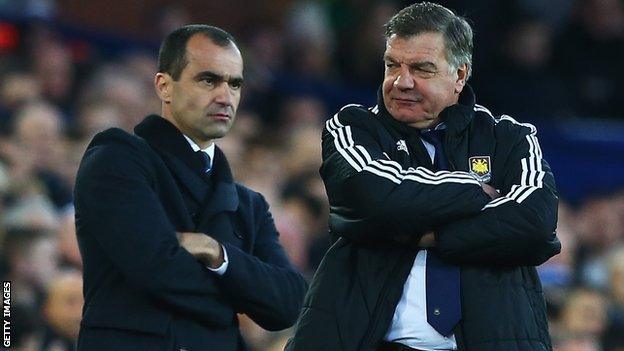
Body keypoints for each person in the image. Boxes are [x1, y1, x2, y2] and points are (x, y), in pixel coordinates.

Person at [286, 3, 560, 351]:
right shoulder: (353, 127)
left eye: (421, 69)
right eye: (392, 65)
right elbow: (374, 195)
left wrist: (434, 235)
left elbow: (535, 222)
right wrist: (473, 188)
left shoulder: (511, 138)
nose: (401, 81)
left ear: (460, 76)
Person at [74, 25, 307, 351]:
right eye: (208, 80)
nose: (225, 97)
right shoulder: (117, 157)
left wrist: (218, 254)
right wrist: (237, 297)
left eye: (235, 84)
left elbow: (291, 303)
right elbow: (156, 271)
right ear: (164, 86)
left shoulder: (248, 203)